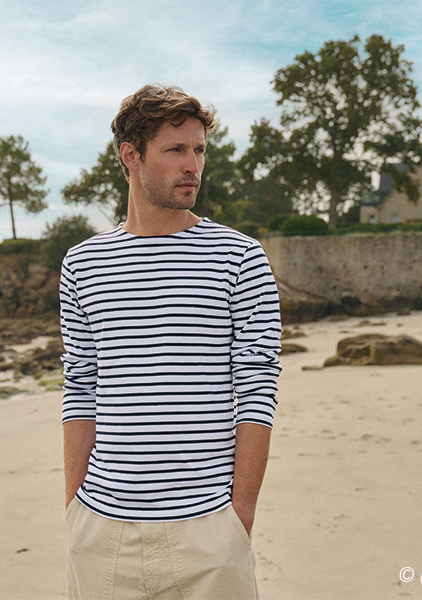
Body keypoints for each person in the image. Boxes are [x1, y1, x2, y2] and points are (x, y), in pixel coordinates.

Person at [60, 84, 282, 599]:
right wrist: (74, 508)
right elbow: (81, 389)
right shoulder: (82, 265)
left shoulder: (240, 258)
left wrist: (239, 517)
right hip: (101, 533)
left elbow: (257, 390)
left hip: (208, 531)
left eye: (199, 150)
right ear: (131, 156)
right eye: (176, 149)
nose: (193, 166)